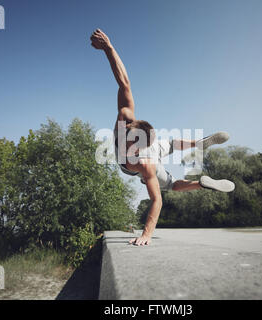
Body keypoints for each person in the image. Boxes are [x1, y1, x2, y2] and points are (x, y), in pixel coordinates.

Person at [90, 29, 235, 246]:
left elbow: (156, 200)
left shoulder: (145, 163)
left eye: (134, 148)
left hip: (152, 154)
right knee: (172, 145)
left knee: (171, 186)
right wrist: (109, 48)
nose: (130, 149)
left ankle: (200, 166)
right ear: (128, 128)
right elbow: (124, 82)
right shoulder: (125, 118)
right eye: (130, 142)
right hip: (156, 145)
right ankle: (199, 158)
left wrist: (146, 234)